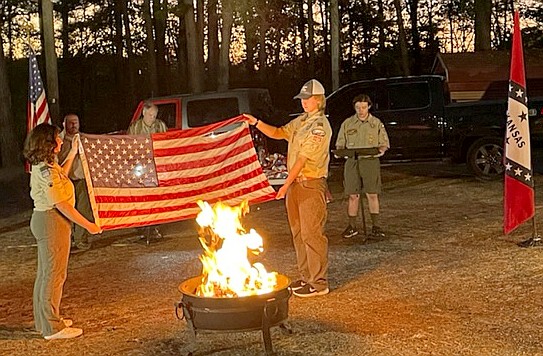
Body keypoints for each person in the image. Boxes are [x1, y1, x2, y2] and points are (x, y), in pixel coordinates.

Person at [244, 79, 332, 298]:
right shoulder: (301, 121)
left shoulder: (320, 126)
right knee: (299, 233)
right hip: (296, 184)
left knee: (312, 234)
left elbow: (303, 159)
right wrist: (256, 122)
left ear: (318, 100)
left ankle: (319, 283)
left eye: (307, 99)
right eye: (302, 99)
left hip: (309, 184)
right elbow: (278, 132)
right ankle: (306, 278)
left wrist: (284, 185)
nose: (304, 103)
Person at [23, 123, 102, 340]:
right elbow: (62, 205)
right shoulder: (46, 170)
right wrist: (88, 225)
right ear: (48, 143)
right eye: (57, 138)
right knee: (54, 275)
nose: (60, 140)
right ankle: (52, 327)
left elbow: (63, 179)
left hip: (48, 221)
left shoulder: (48, 165)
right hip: (51, 222)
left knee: (45, 274)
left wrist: (74, 152)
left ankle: (44, 320)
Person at [335, 94, 390, 239]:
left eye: (364, 107)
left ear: (369, 107)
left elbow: (384, 143)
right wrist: (340, 152)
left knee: (372, 193)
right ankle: (351, 226)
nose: (361, 110)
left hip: (370, 161)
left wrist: (381, 150)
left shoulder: (376, 123)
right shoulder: (347, 123)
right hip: (352, 161)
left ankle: (376, 226)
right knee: (353, 195)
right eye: (358, 107)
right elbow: (340, 143)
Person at [127, 101, 167, 241]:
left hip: (156, 167)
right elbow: (129, 147)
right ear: (143, 113)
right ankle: (144, 227)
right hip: (141, 168)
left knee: (157, 198)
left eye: (154, 115)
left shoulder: (160, 126)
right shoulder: (135, 128)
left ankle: (156, 227)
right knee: (143, 198)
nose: (152, 117)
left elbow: (166, 143)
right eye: (150, 114)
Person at [58, 114, 94, 252]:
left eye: (76, 122)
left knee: (83, 210)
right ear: (64, 124)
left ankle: (81, 241)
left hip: (81, 180)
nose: (73, 125)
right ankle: (67, 239)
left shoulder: (84, 139)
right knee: (65, 212)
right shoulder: (59, 141)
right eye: (70, 122)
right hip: (64, 181)